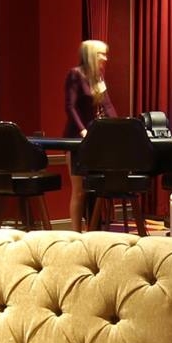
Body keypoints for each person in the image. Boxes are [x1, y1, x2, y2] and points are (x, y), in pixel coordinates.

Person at [64, 40, 118, 229]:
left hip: (96, 139)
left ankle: (93, 230)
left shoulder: (98, 77)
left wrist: (118, 127)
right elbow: (70, 107)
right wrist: (83, 130)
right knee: (79, 191)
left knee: (94, 189)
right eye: (101, 54)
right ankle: (75, 233)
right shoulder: (75, 74)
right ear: (90, 55)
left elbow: (107, 105)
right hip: (77, 139)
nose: (105, 58)